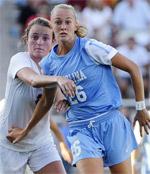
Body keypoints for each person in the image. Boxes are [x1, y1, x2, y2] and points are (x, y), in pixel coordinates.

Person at [8, 4, 150, 174]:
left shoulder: (90, 48)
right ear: (52, 26)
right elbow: (45, 102)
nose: (63, 26)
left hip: (110, 121)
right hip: (81, 129)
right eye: (58, 22)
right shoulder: (47, 64)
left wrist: (141, 108)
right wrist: (26, 131)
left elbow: (133, 67)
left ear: (76, 25)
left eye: (68, 22)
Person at [0, 17, 76, 174]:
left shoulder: (54, 68)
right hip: (11, 143)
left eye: (45, 38)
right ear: (26, 39)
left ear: (53, 42)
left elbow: (45, 116)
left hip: (41, 144)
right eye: (34, 37)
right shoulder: (19, 60)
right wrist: (58, 80)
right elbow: (34, 80)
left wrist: (62, 143)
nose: (39, 42)